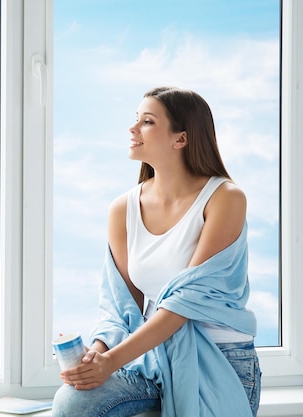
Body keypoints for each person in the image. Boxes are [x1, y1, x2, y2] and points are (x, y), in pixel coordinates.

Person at [52, 87, 261, 417]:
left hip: (220, 357)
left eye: (147, 121)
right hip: (149, 358)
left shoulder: (226, 199)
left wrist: (111, 363)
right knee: (73, 401)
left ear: (181, 139)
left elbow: (183, 303)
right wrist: (96, 355)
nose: (132, 129)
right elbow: (121, 305)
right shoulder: (123, 209)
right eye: (135, 120)